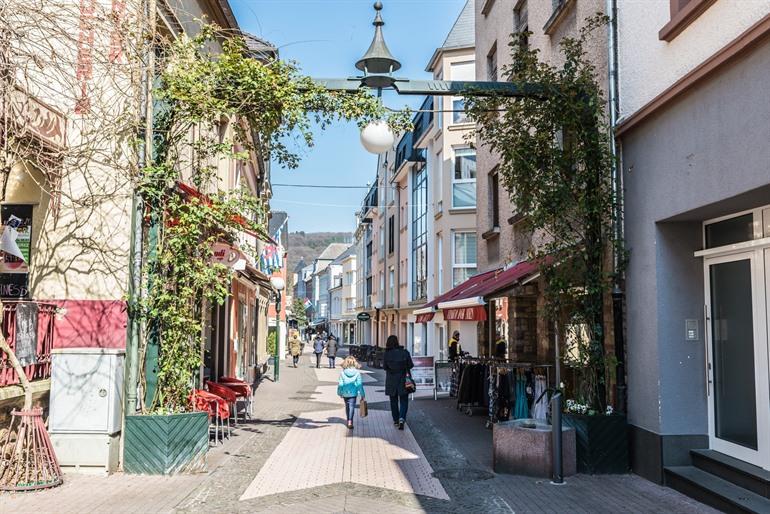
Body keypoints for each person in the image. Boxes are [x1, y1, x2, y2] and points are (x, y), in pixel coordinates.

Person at [383, 335, 414, 430]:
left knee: (393, 401)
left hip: (391, 381)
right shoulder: (405, 352)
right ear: (397, 342)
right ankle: (402, 418)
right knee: (404, 400)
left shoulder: (386, 354)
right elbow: (410, 365)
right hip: (403, 380)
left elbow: (384, 367)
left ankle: (396, 420)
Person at [337, 356, 366, 429]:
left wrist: (339, 392)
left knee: (347, 407)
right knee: (352, 407)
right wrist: (362, 394)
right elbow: (359, 385)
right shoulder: (357, 373)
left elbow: (340, 384)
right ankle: (350, 421)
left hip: (345, 393)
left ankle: (348, 420)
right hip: (353, 394)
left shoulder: (342, 373)